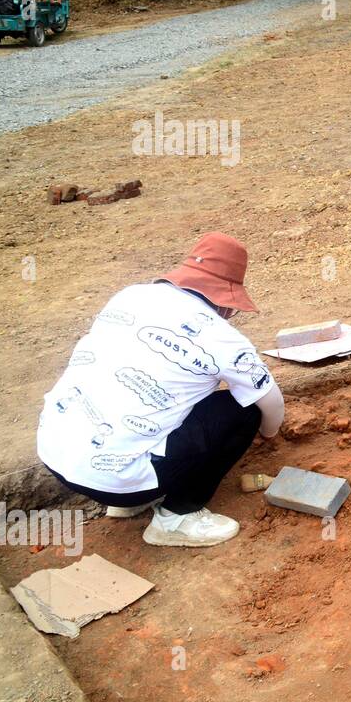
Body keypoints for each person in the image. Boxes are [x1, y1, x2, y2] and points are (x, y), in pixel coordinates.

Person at [37, 232, 284, 547]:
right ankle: (177, 516)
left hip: (55, 452)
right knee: (244, 412)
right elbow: (271, 404)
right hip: (115, 479)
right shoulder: (222, 337)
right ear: (227, 301)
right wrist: (268, 434)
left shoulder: (131, 296)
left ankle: (127, 500)